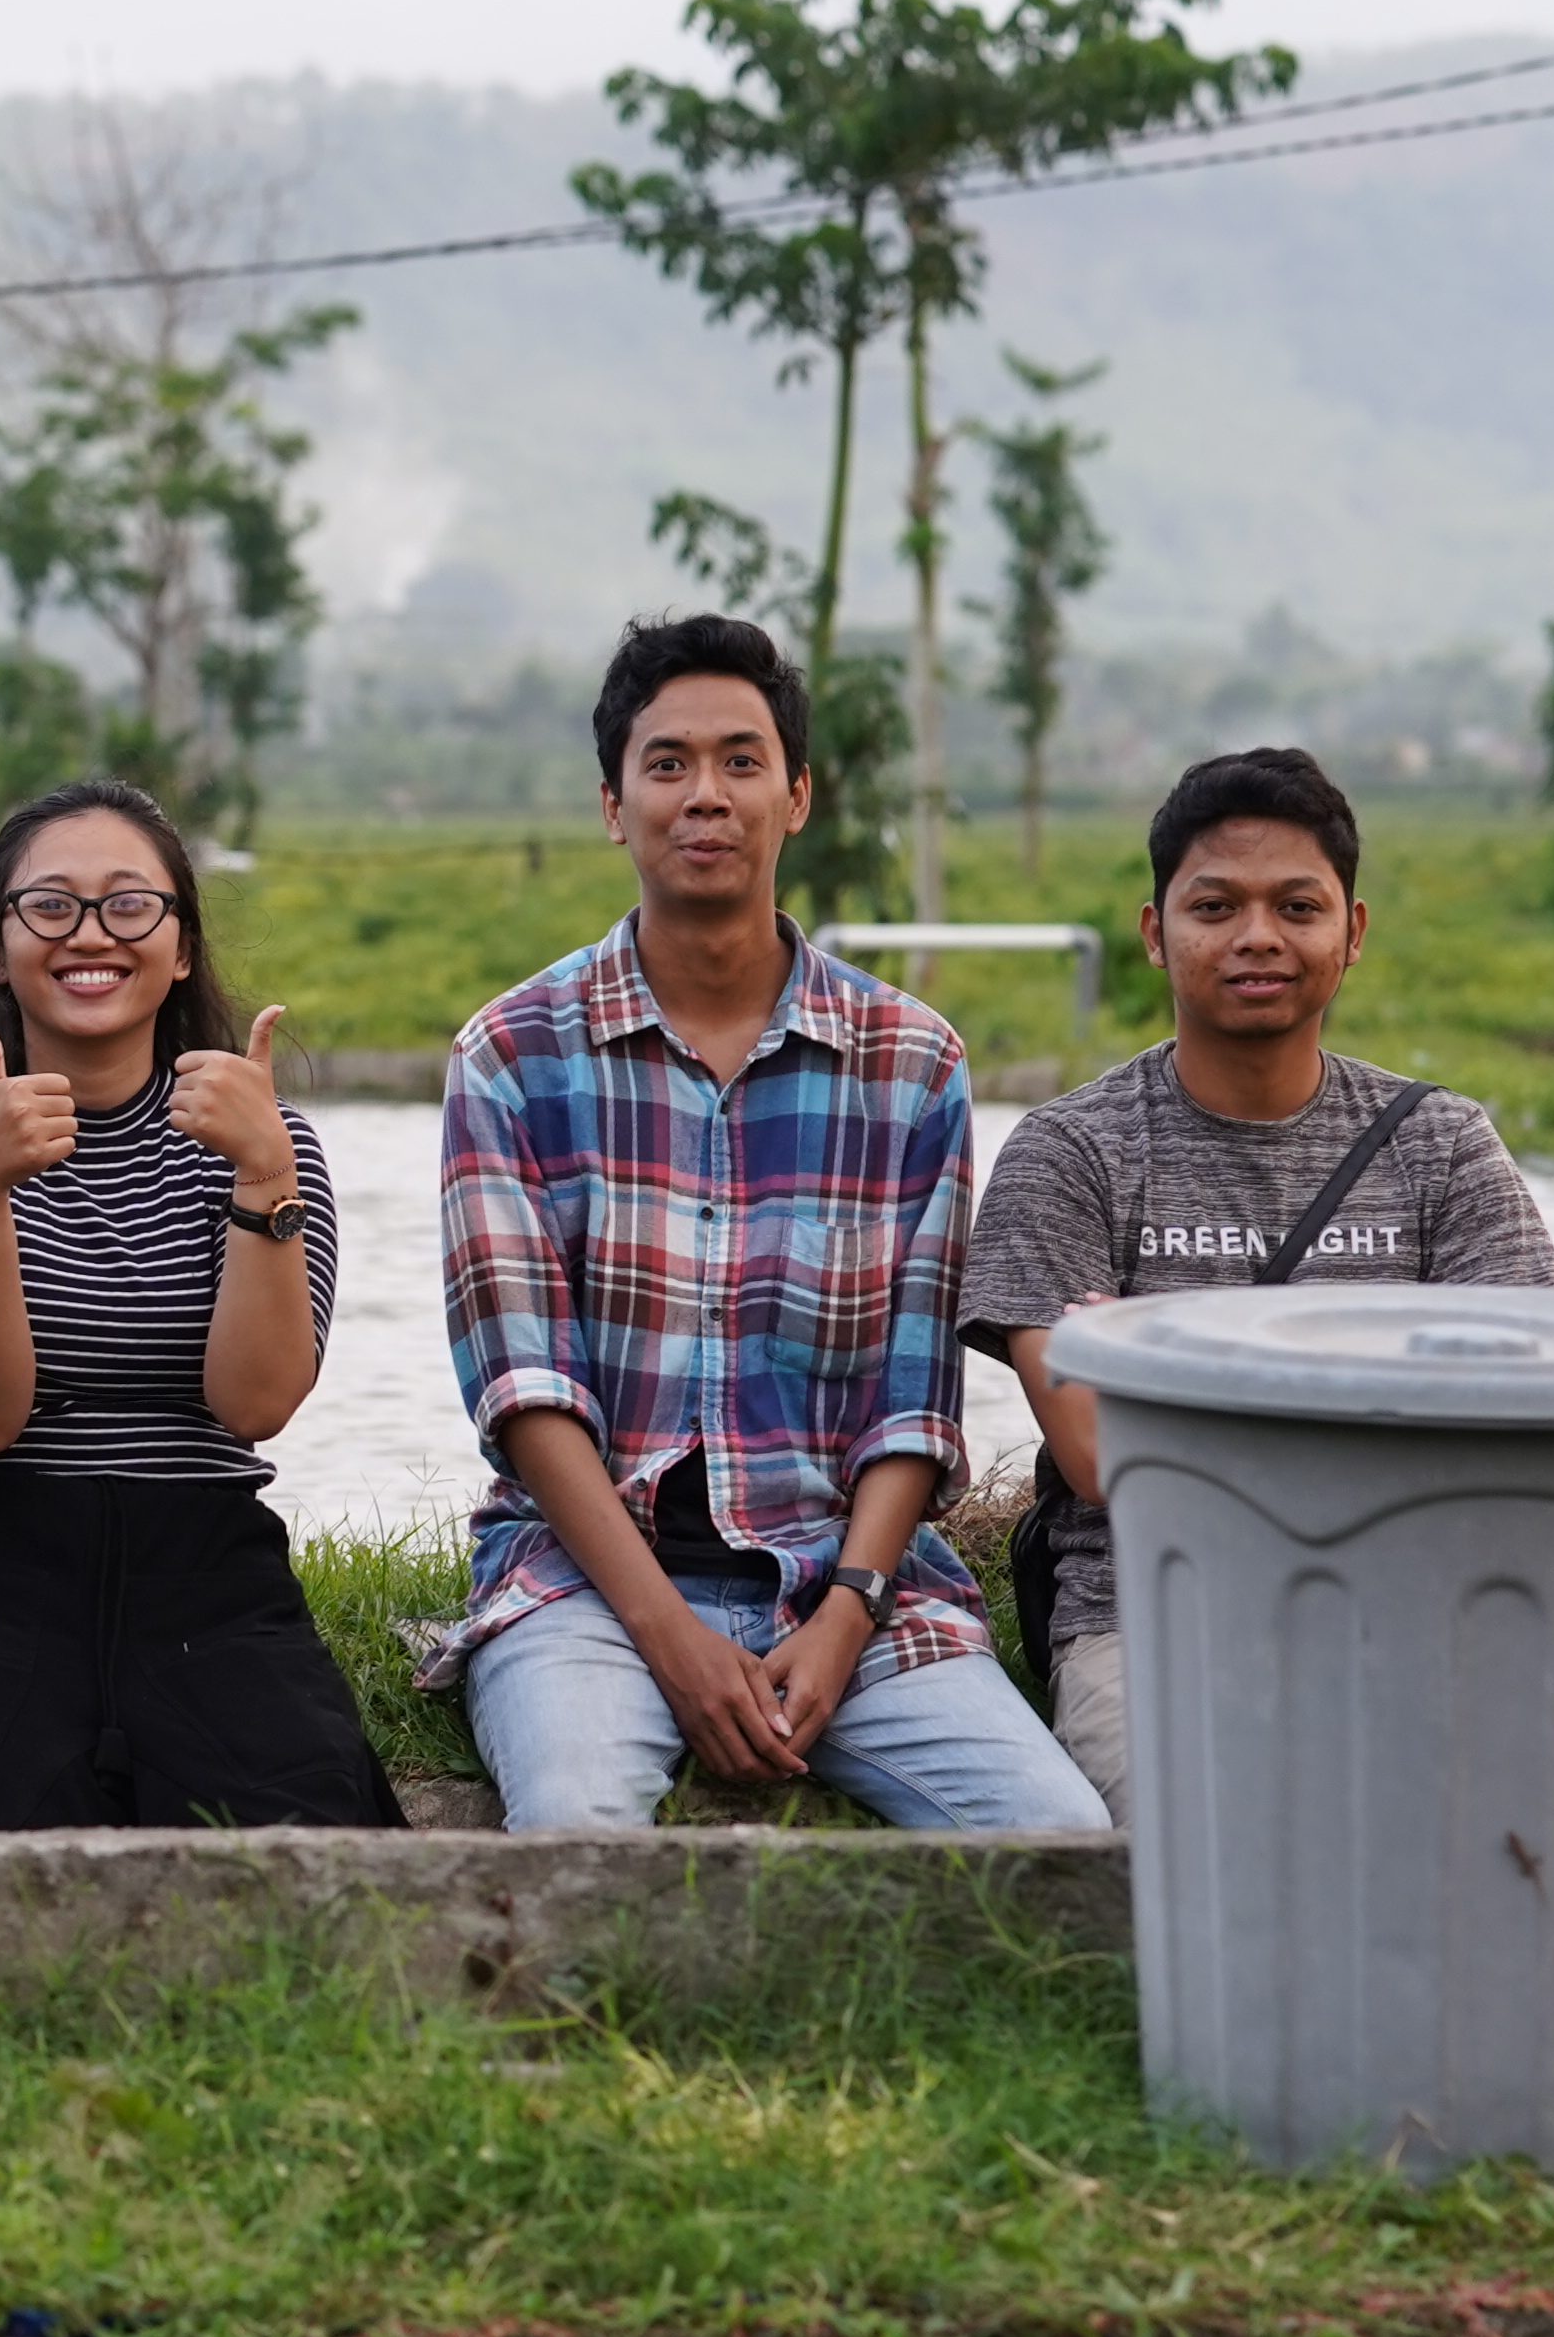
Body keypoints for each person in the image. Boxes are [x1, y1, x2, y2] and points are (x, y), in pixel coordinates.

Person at [431, 616, 1104, 1834]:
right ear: (613, 802)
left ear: (796, 796)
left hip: (846, 1583)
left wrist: (847, 1613)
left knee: (1056, 1839)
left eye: (743, 762)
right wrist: (673, 1642)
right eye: (669, 764)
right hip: (585, 1587)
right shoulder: (513, 1056)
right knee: (578, 1835)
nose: (707, 796)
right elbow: (525, 1397)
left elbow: (913, 1399)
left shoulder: (910, 1062)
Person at [963, 744, 1554, 1803]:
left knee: (1509, 1813)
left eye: (1297, 906)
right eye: (1215, 907)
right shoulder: (1072, 1153)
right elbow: (1103, 1459)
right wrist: (1393, 1396)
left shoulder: (1443, 1147)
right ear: (1156, 933)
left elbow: (1521, 1415)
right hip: (1145, 1619)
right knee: (1202, 1822)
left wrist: (1166, 1373)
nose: (1257, 938)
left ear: (1353, 931)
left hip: (1412, 1609)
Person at [0, 778, 396, 1828]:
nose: (90, 934)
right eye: (49, 906)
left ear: (181, 945)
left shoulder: (268, 1143)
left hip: (206, 1558)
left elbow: (256, 1401)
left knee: (304, 1817)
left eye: (130, 904)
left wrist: (263, 1172)